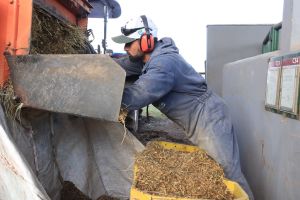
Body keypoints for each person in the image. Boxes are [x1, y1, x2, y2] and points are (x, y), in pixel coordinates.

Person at [112, 15, 254, 199]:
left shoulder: (163, 63)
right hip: (200, 119)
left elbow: (138, 95)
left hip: (209, 119)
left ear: (146, 40)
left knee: (228, 175)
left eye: (129, 43)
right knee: (217, 173)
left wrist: (105, 99)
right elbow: (123, 64)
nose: (125, 48)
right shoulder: (149, 60)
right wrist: (100, 64)